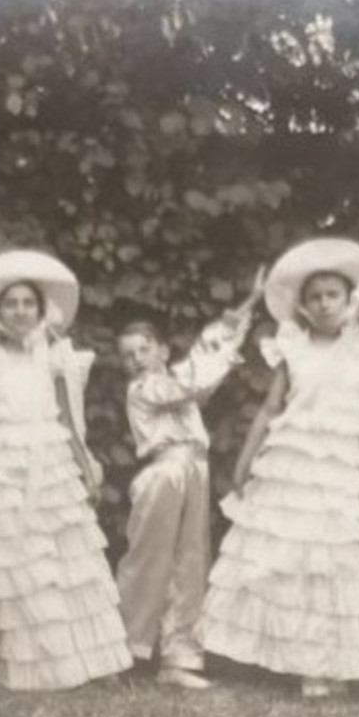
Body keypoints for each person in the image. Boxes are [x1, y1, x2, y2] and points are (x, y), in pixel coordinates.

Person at [198, 238, 359, 699]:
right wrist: (245, 462)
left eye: (333, 295)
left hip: (342, 459)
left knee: (330, 561)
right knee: (285, 558)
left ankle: (327, 662)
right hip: (291, 458)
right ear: (302, 306)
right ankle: (291, 658)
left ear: (350, 299)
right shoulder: (293, 346)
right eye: (316, 297)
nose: (325, 304)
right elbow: (270, 408)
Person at [0, 250, 133, 690]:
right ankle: (28, 662)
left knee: (67, 557)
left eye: (28, 304)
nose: (20, 312)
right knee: (18, 558)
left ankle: (91, 657)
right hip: (4, 461)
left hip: (51, 457)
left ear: (40, 310)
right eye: (11, 304)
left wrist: (83, 465)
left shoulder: (52, 356)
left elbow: (67, 418)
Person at [113, 273, 260, 690]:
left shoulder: (174, 376)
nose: (137, 359)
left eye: (145, 349)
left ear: (163, 349)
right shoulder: (146, 387)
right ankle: (125, 647)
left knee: (190, 561)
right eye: (128, 355)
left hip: (194, 468)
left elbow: (203, 356)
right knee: (149, 560)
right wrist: (223, 341)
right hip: (164, 471)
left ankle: (178, 657)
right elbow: (194, 381)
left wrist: (241, 315)